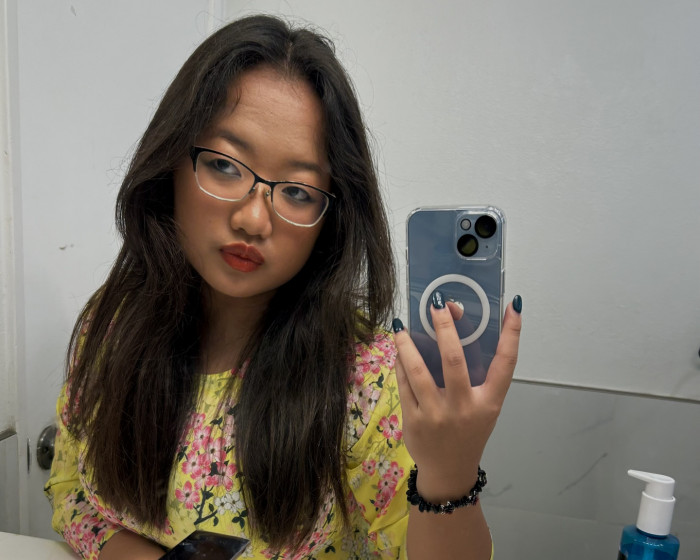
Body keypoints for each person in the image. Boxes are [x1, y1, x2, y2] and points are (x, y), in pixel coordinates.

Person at [44, 14, 522, 560]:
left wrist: (451, 475)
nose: (253, 218)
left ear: (329, 218)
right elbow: (73, 493)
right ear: (171, 161)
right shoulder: (112, 325)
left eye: (297, 191)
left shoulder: (364, 379)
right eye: (225, 165)